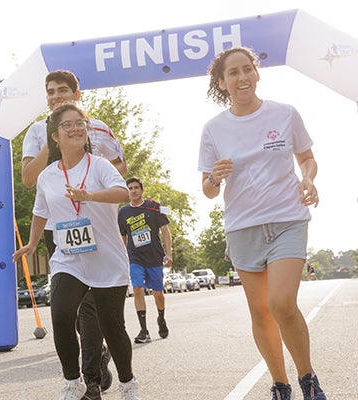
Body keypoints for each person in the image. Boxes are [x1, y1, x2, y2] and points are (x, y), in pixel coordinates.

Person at [198, 46, 326, 400]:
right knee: (261, 313)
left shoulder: (285, 114)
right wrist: (214, 178)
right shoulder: (214, 128)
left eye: (247, 69)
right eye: (233, 74)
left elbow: (307, 158)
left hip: (287, 218)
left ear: (257, 72)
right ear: (222, 83)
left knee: (281, 303)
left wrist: (309, 179)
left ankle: (308, 381)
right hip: (242, 227)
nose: (242, 78)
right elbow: (208, 190)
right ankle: (280, 384)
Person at [13, 103, 141, 400]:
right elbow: (40, 212)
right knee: (60, 314)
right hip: (69, 258)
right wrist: (32, 244)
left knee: (113, 327)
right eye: (67, 125)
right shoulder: (47, 176)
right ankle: (73, 382)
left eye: (80, 123)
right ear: (54, 136)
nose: (76, 129)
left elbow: (122, 193)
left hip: (106, 259)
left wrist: (90, 195)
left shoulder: (99, 166)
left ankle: (128, 383)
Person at [117, 177, 172, 344]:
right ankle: (144, 330)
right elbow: (123, 237)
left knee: (158, 293)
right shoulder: (123, 212)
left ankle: (161, 318)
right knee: (138, 288)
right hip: (135, 257)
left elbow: (165, 230)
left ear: (142, 190)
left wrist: (169, 253)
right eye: (130, 188)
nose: (133, 191)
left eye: (136, 188)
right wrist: (122, 257)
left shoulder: (154, 207)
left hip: (154, 256)